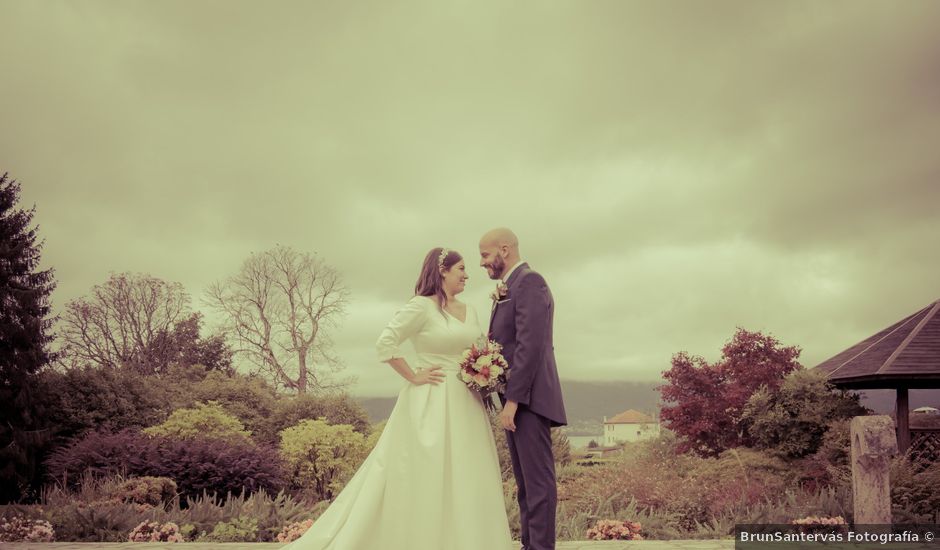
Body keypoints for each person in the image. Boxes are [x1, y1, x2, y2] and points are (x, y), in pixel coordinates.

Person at [283, 247, 513, 550]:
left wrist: (485, 371)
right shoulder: (421, 307)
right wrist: (413, 375)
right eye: (461, 269)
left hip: (467, 400)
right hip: (431, 399)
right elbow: (386, 343)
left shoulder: (470, 310)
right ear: (442, 271)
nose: (467, 275)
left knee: (468, 472)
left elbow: (479, 348)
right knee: (428, 473)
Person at [480, 228, 567, 550]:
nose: (482, 262)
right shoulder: (511, 286)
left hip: (529, 400)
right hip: (517, 398)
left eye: (486, 254)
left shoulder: (530, 282)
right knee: (525, 484)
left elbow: (529, 347)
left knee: (539, 483)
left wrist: (513, 401)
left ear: (505, 249)